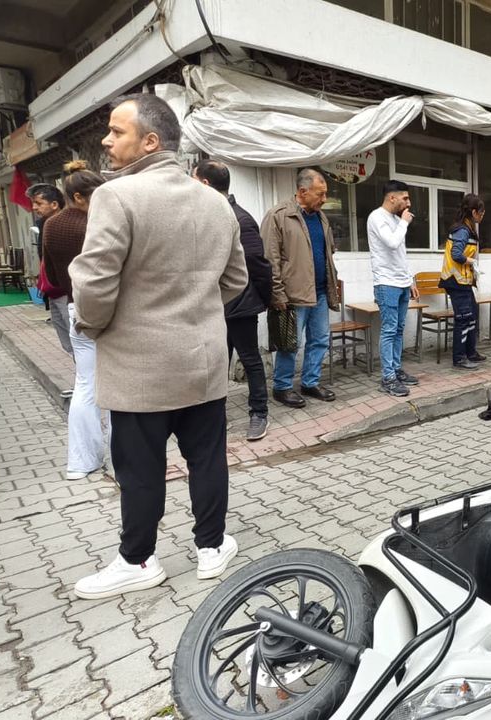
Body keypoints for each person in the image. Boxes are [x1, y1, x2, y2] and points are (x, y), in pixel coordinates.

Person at [69, 93, 247, 599]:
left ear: (150, 141)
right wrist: (196, 308)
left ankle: (138, 560)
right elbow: (235, 279)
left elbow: (95, 283)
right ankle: (212, 548)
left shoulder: (116, 196)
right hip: (203, 360)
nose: (106, 140)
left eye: (116, 131)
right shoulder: (216, 202)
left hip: (139, 365)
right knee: (207, 459)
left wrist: (93, 326)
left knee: (141, 468)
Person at [194, 160, 273, 442]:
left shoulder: (240, 219)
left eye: (193, 181)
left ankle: (259, 413)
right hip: (213, 306)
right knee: (217, 363)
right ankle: (217, 418)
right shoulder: (203, 217)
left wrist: (262, 299)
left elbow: (258, 265)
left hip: (240, 305)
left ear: (205, 184)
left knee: (250, 359)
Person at [41, 161, 109, 480]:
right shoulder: (97, 224)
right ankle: (122, 459)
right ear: (79, 197)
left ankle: (81, 463)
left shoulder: (51, 225)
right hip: (107, 312)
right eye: (97, 194)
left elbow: (53, 277)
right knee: (118, 386)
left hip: (74, 310)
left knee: (85, 385)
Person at [262, 168, 339, 408]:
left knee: (320, 340)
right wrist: (277, 294)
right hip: (292, 295)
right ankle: (282, 387)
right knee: (290, 343)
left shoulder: (321, 218)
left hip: (320, 292)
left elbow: (328, 253)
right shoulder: (279, 216)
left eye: (325, 194)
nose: (324, 199)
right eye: (320, 194)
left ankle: (310, 382)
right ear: (303, 192)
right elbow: (269, 259)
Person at [367, 180, 422, 396]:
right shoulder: (376, 217)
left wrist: (410, 281)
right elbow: (391, 242)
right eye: (405, 198)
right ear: (392, 198)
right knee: (389, 330)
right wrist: (404, 223)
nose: (408, 203)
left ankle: (397, 370)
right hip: (386, 283)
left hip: (401, 283)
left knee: (398, 329)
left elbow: (400, 254)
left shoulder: (396, 220)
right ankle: (387, 378)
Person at [440, 193, 487, 370]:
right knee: (463, 318)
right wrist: (472, 261)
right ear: (474, 212)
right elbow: (456, 255)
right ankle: (459, 358)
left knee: (472, 315)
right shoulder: (462, 230)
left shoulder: (467, 228)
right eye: (481, 213)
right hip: (455, 281)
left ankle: (471, 352)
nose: (482, 216)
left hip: (463, 281)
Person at [30, 184, 73, 356]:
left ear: (54, 204)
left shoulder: (66, 225)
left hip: (67, 291)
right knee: (65, 338)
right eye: (34, 203)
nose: (34, 208)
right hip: (52, 291)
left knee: (76, 337)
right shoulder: (44, 225)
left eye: (39, 203)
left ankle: (85, 372)